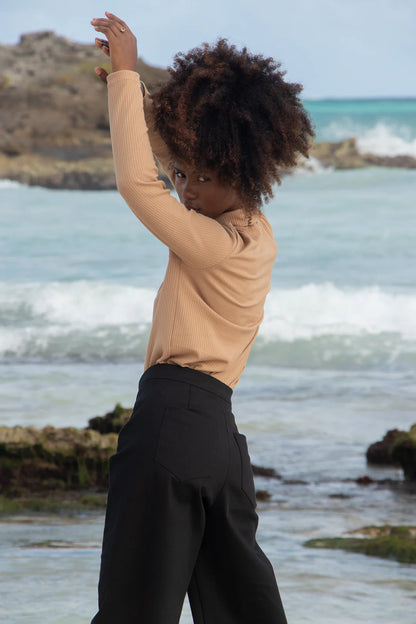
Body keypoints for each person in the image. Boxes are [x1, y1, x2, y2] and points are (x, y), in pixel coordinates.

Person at [90, 11, 314, 624]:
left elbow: (139, 185)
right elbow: (176, 161)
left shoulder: (212, 245)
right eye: (184, 174)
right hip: (220, 443)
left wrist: (126, 77)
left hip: (168, 424)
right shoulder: (254, 234)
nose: (186, 189)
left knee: (133, 611)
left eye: (200, 178)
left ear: (240, 171)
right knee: (244, 610)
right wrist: (133, 91)